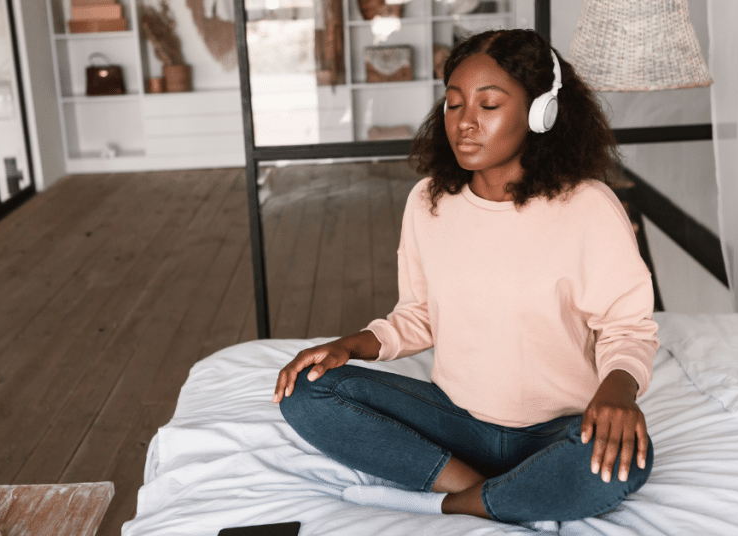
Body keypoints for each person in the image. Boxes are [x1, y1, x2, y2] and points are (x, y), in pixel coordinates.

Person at [273, 28, 659, 525]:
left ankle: (450, 503)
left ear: (541, 111)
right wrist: (351, 345)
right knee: (306, 390)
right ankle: (491, 492)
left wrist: (617, 393)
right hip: (456, 423)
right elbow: (419, 316)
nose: (465, 123)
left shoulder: (587, 207)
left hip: (559, 430)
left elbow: (627, 329)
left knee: (628, 461)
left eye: (489, 104)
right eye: (454, 104)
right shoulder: (429, 201)